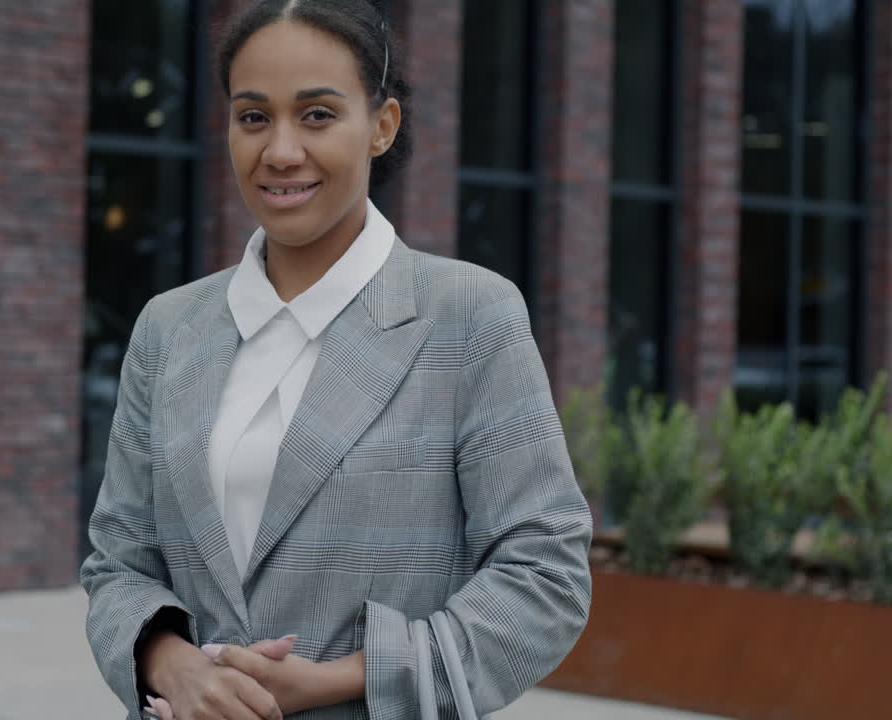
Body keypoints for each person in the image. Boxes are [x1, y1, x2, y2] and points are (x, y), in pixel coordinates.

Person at [80, 1, 593, 718]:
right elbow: (119, 560)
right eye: (253, 117)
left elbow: (545, 576)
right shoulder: (170, 329)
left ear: (382, 126)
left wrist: (338, 680)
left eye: (317, 115)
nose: (281, 151)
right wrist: (170, 663)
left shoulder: (470, 317)